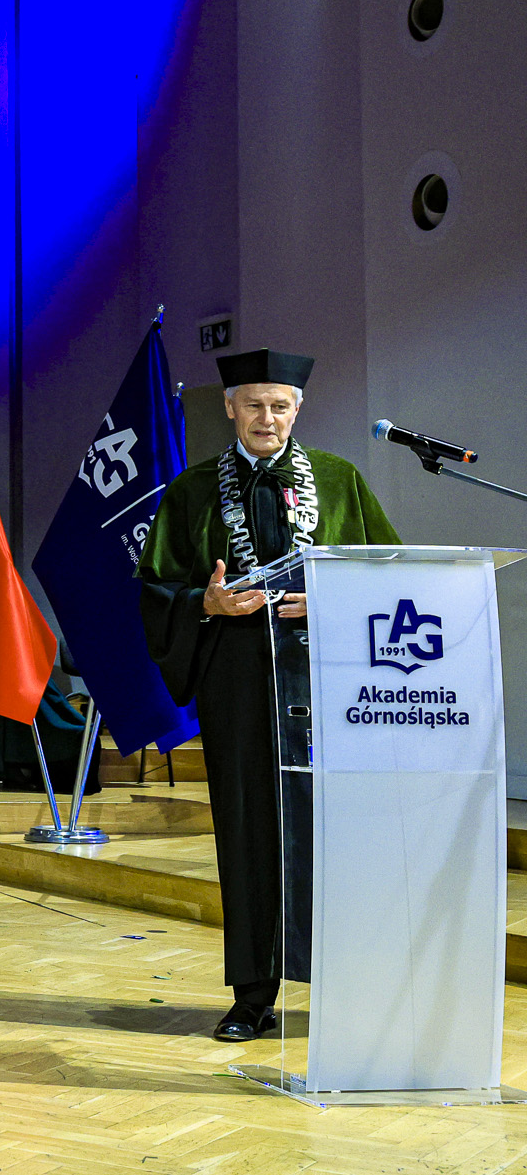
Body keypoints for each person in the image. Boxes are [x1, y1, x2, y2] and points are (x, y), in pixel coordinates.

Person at [137, 348, 399, 1043]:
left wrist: (334, 599)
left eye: (279, 405)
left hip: (330, 683)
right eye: (253, 404)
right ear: (229, 407)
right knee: (248, 830)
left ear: (298, 408)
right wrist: (206, 603)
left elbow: (390, 576)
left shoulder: (339, 482)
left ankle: (346, 988)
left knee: (338, 832)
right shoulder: (192, 490)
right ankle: (253, 995)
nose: (267, 417)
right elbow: (156, 592)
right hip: (238, 682)